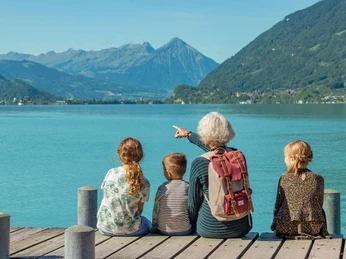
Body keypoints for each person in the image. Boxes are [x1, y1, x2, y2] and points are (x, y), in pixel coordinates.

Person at [173, 112, 252, 238]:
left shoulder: (199, 163)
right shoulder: (236, 156)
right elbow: (215, 152)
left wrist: (191, 224)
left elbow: (193, 203)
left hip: (210, 229)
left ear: (205, 135)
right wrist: (188, 134)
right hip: (242, 226)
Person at [271, 140, 329, 239]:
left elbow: (278, 204)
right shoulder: (318, 178)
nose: (284, 159)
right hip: (313, 228)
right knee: (320, 210)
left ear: (292, 158)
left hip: (286, 227)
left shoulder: (284, 178)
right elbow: (319, 204)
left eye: (285, 157)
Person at [97, 137, 151, 236]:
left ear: (120, 154)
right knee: (147, 222)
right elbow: (139, 210)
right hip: (131, 230)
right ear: (141, 156)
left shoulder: (111, 173)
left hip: (105, 228)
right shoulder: (144, 182)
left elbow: (107, 198)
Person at [151, 153, 193, 236]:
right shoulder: (188, 187)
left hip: (164, 230)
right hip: (185, 230)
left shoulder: (162, 188)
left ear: (168, 173)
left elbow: (156, 208)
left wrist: (155, 225)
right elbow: (192, 207)